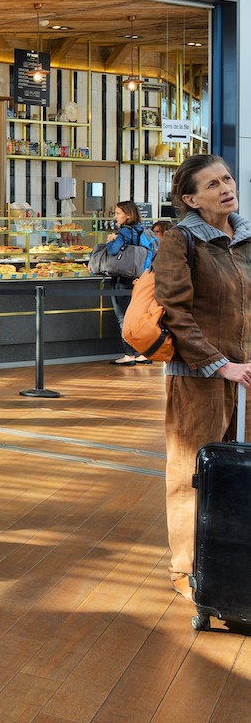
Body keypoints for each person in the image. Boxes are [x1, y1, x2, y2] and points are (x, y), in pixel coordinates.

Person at [153, 154, 251, 603]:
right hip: (200, 376)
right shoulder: (181, 241)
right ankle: (188, 570)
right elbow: (176, 311)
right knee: (191, 474)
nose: (225, 187)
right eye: (212, 184)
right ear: (190, 199)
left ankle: (234, 560)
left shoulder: (247, 237)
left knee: (240, 473)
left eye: (227, 178)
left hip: (245, 375)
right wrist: (219, 363)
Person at [107, 200, 158, 365]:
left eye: (118, 213)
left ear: (127, 215)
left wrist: (111, 240)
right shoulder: (144, 230)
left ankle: (129, 354)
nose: (115, 217)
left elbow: (113, 250)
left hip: (123, 279)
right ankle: (143, 352)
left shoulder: (124, 232)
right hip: (141, 279)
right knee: (139, 316)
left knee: (123, 317)